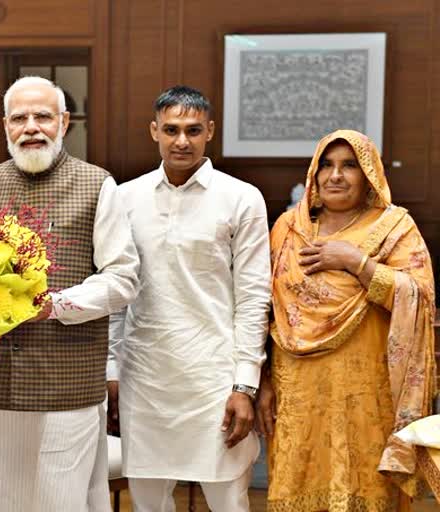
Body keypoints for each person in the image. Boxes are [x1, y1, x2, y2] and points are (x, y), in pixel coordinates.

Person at [0, 76, 140, 512]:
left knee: (60, 500)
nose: (31, 127)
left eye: (43, 116)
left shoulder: (97, 185)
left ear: (65, 121)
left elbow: (123, 279)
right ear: (4, 125)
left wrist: (52, 306)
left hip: (66, 386)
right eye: (20, 118)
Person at [107, 85, 271, 512]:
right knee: (146, 501)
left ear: (210, 132)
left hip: (213, 377)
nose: (182, 140)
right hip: (145, 377)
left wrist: (245, 384)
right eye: (172, 129)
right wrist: (112, 369)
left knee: (228, 498)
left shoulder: (241, 198)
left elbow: (254, 296)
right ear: (154, 131)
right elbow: (115, 291)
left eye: (193, 130)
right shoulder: (124, 198)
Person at [256, 129, 436, 511]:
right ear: (314, 173)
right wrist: (263, 379)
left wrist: (357, 263)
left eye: (349, 165)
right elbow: (264, 309)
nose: (335, 175)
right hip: (298, 395)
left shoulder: (395, 227)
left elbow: (419, 296)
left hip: (366, 395)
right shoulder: (287, 229)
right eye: (327, 165)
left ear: (368, 174)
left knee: (365, 488)